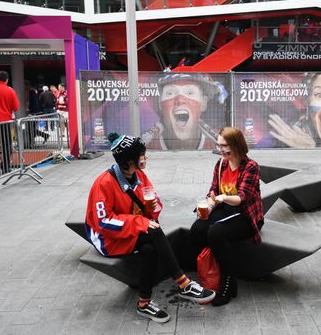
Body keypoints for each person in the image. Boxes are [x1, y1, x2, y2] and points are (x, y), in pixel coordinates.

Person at [85, 133, 215, 323]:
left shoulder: (140, 176)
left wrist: (152, 208)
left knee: (149, 249)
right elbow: (104, 222)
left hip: (129, 231)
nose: (146, 158)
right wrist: (142, 222)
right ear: (128, 161)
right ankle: (183, 283)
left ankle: (144, 304)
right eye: (142, 155)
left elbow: (155, 202)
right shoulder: (104, 183)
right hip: (107, 239)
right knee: (153, 232)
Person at [190, 127, 263, 306]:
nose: (220, 149)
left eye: (224, 145)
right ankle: (209, 271)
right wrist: (210, 204)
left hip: (246, 215)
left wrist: (222, 198)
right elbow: (214, 190)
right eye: (219, 145)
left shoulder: (250, 167)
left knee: (216, 232)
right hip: (226, 211)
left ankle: (228, 282)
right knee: (197, 228)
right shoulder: (221, 164)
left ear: (236, 145)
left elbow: (242, 198)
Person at [142, 74, 227, 150]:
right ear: (160, 104)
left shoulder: (220, 142)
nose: (180, 100)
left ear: (204, 103)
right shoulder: (145, 146)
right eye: (170, 93)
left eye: (190, 92)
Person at [24, 80, 49, 148]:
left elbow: (32, 103)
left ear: (26, 85)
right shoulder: (32, 92)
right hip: (35, 113)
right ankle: (44, 135)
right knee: (31, 128)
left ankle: (31, 142)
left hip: (34, 113)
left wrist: (29, 110)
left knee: (30, 129)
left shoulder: (31, 92)